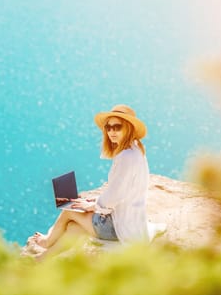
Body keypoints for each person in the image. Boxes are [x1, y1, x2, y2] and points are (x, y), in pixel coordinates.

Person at [26, 104, 150, 258]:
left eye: (117, 127)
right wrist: (96, 202)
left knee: (68, 210)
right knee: (74, 228)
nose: (111, 132)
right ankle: (43, 258)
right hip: (132, 226)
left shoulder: (126, 157)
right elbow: (122, 190)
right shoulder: (135, 150)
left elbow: (114, 196)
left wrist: (93, 205)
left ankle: (47, 241)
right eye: (108, 127)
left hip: (118, 227)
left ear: (129, 128)